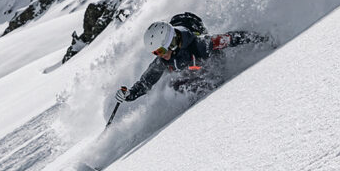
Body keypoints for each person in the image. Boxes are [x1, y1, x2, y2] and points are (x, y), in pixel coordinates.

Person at [114, 15, 272, 104]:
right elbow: (147, 80)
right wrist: (130, 94)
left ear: (171, 42)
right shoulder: (163, 59)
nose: (159, 55)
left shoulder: (200, 45)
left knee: (206, 79)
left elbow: (232, 38)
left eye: (160, 50)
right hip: (192, 71)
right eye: (155, 53)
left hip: (210, 66)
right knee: (176, 86)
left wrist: (263, 39)